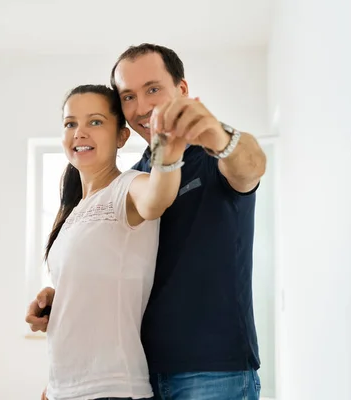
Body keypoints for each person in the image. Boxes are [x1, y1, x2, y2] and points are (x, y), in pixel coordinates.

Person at [28, 44, 267, 400]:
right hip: (144, 371)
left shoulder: (214, 157)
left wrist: (218, 135)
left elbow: (252, 166)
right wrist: (64, 298)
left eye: (152, 89)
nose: (141, 107)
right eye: (128, 96)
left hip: (212, 369)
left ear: (181, 91)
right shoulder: (135, 178)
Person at [38, 83, 187, 400]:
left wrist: (167, 150)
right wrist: (54, 298)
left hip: (112, 388)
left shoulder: (130, 186)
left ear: (122, 135)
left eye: (95, 122)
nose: (79, 132)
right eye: (70, 123)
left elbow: (158, 198)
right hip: (63, 388)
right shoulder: (73, 211)